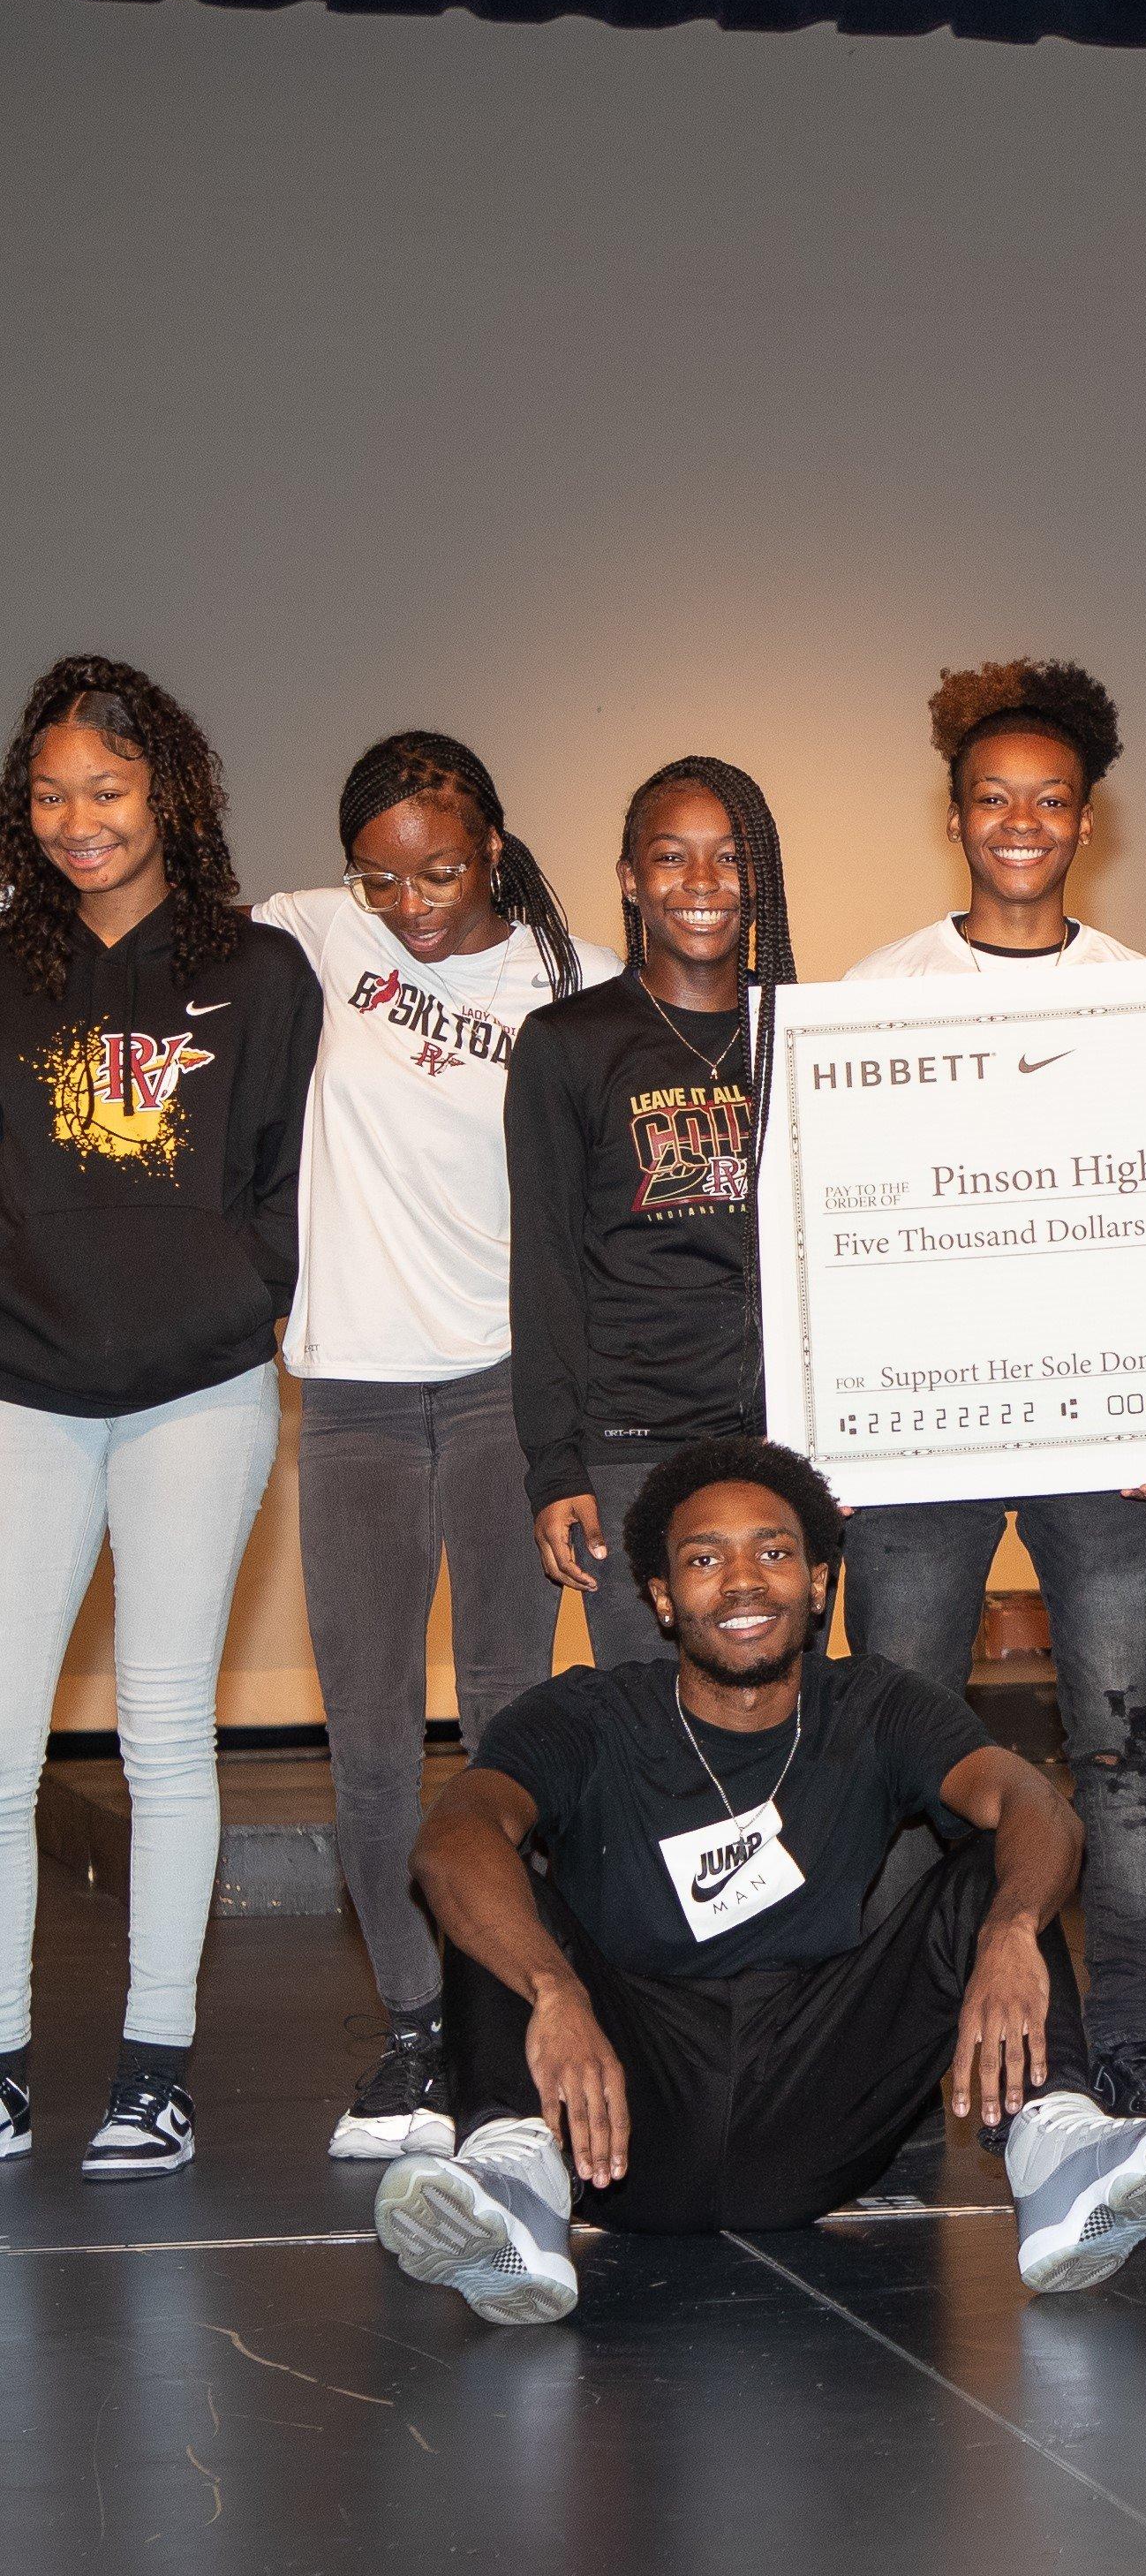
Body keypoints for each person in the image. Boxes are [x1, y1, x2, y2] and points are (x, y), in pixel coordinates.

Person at [373, 1438, 1146, 2323]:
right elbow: (449, 1838)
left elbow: (1029, 1802)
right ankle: (514, 2190)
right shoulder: (589, 1715)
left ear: (819, 1583)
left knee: (997, 1865)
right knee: (483, 1876)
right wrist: (554, 1992)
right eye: (705, 1559)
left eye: (774, 1552)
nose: (743, 1581)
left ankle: (1061, 2164)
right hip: (616, 2122)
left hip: (816, 2107)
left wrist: (1012, 1929)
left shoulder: (872, 1703)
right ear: (663, 1598)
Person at [255, 734, 619, 2162]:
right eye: (383, 872)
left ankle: (504, 2031)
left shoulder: (570, 976)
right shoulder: (310, 933)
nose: (412, 900)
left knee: (509, 1715)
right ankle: (416, 2037)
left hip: (499, 1385)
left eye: (443, 868)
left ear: (493, 839)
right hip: (347, 1389)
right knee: (364, 1733)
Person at [840, 661, 1146, 2121]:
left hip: (1102, 1437)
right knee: (909, 1748)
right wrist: (844, 1420)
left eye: (1051, 801)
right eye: (995, 799)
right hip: (921, 1436)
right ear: (956, 818)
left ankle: (1126, 2025)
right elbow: (841, 1226)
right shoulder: (874, 996)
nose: (1022, 823)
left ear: (1086, 822)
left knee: (1120, 1748)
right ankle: (903, 2032)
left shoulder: (1140, 1000)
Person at [0, 654, 320, 2179]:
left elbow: (279, 1183)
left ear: (168, 794)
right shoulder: (3, 963)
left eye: (107, 790)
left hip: (197, 1388)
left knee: (164, 1736)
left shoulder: (258, 973)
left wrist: (236, 1292)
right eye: (51, 793)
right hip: (21, 1391)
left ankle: (152, 2069)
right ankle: (0, 2065)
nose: (78, 820)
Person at [509, 757, 795, 1666]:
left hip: (779, 1442)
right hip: (628, 1445)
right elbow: (546, 1262)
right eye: (672, 858)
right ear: (631, 881)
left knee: (782, 1720)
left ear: (763, 880)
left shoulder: (808, 1036)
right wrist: (556, 1465)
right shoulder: (568, 1045)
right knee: (647, 1726)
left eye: (729, 858)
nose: (702, 885)